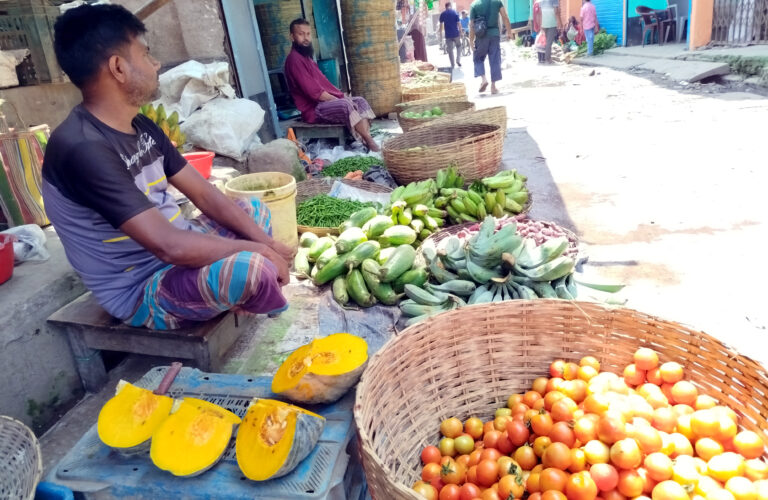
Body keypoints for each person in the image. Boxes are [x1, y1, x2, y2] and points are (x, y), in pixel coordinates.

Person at [42, 4, 294, 330]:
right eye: (146, 55)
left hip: (178, 246)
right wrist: (259, 251)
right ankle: (240, 292)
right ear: (118, 67)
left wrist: (266, 244)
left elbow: (203, 194)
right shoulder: (82, 148)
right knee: (252, 268)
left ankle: (233, 289)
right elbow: (169, 247)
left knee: (251, 211)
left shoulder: (140, 124)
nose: (156, 64)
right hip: (144, 288)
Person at [284, 18, 379, 152]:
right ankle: (369, 141)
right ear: (292, 37)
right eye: (301, 34)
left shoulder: (307, 58)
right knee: (346, 104)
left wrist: (341, 95)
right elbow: (314, 92)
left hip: (323, 104)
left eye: (308, 34)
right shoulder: (294, 60)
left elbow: (324, 83)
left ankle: (364, 138)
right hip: (313, 110)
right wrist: (339, 99)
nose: (305, 38)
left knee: (360, 101)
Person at [469, 0, 512, 94]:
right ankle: (493, 86)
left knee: (478, 58)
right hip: (494, 35)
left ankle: (484, 79)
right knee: (495, 59)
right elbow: (505, 17)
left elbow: (472, 25)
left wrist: (471, 40)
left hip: (481, 36)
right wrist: (509, 32)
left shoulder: (474, 5)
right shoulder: (497, 2)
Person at [439, 2, 462, 68]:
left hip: (448, 35)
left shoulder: (443, 14)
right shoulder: (455, 12)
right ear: (450, 6)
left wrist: (440, 35)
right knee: (459, 46)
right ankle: (458, 59)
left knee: (450, 50)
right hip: (455, 34)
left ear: (445, 7)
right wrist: (461, 32)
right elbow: (459, 24)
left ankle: (452, 64)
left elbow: (441, 26)